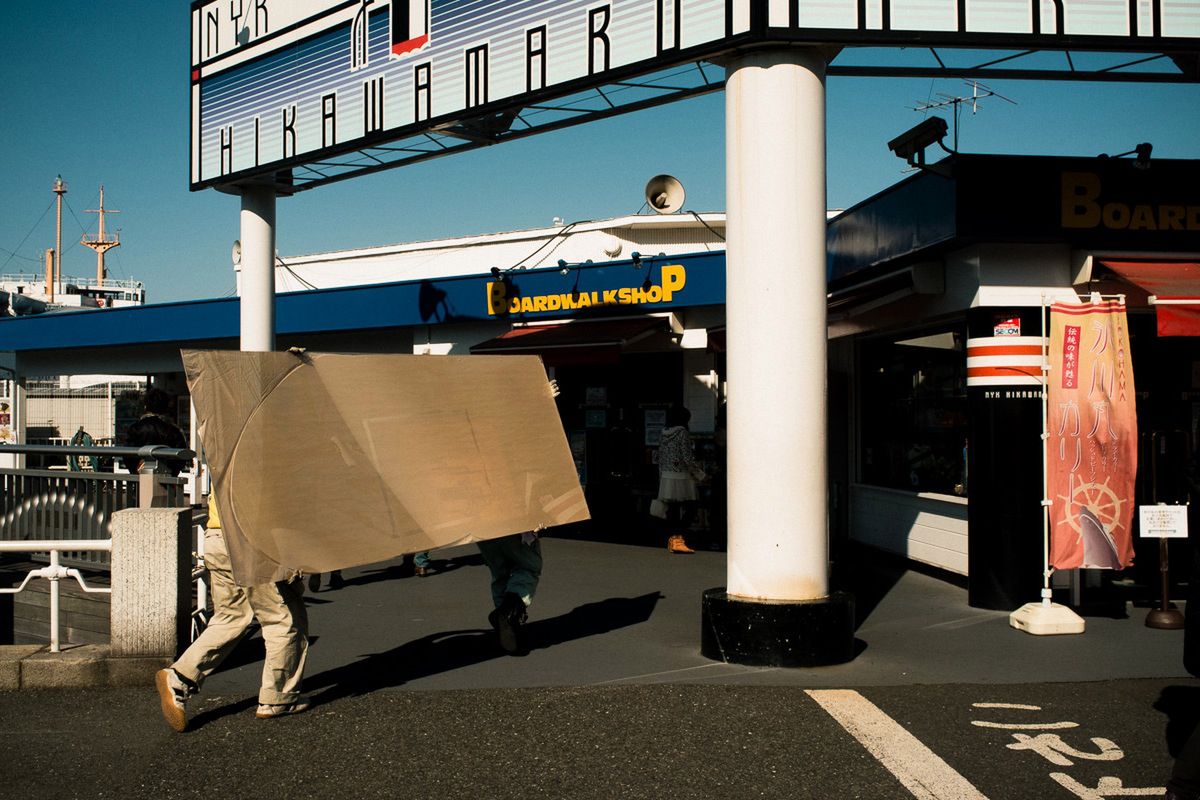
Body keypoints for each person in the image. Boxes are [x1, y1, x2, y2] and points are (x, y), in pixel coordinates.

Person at [154, 492, 310, 732]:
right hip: (253, 538)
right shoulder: (264, 454)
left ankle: (179, 678)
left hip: (217, 535)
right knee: (283, 619)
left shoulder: (227, 454)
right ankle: (278, 699)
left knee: (230, 617)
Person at [478, 531, 543, 654]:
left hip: (480, 526)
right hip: (511, 525)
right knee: (528, 566)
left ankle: (505, 621)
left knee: (500, 572)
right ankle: (509, 611)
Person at [656, 405, 706, 554]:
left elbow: (661, 456)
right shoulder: (682, 433)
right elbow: (687, 458)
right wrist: (700, 474)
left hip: (666, 476)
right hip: (681, 477)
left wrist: (661, 476)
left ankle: (673, 540)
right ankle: (680, 538)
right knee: (691, 506)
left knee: (673, 509)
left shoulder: (663, 432)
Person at [122, 387, 188, 476]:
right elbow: (181, 456)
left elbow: (127, 454)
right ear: (166, 407)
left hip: (140, 478)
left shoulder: (136, 428)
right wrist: (171, 472)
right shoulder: (173, 430)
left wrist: (136, 469)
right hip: (167, 480)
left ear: (146, 406)